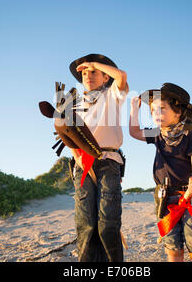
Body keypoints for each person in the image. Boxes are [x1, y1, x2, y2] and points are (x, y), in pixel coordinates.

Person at [129, 82, 192, 262]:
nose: (156, 114)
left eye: (162, 109)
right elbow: (134, 132)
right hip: (164, 198)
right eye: (152, 110)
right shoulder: (157, 134)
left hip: (189, 196)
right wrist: (134, 109)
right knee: (172, 245)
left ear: (178, 111)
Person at [68, 53, 128, 262]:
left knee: (108, 222)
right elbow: (69, 135)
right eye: (84, 72)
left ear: (105, 77)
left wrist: (95, 63)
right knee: (86, 223)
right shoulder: (72, 102)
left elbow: (121, 76)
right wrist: (77, 157)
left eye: (93, 72)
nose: (88, 75)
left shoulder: (112, 95)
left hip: (109, 161)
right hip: (82, 164)